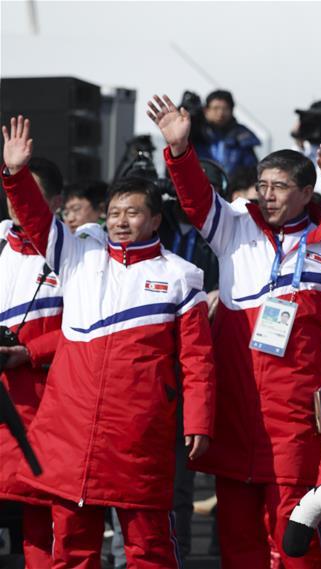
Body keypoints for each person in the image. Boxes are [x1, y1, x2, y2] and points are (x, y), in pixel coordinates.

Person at [148, 94, 321, 569]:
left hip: (297, 422)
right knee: (238, 541)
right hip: (236, 413)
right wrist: (180, 151)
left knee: (295, 540)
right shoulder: (235, 226)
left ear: (307, 192)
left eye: (280, 186)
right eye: (262, 184)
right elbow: (196, 199)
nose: (267, 194)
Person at [2, 115, 216, 568]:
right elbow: (38, 221)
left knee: (149, 550)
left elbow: (198, 360)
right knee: (72, 551)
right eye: (115, 213)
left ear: (155, 219)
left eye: (133, 212)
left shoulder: (180, 277)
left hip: (139, 435)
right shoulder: (79, 255)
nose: (121, 221)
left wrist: (198, 421)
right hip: (71, 431)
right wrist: (16, 176)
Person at [0, 156, 66, 569]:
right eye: (14, 192)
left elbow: (90, 334)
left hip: (44, 411)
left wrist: (28, 352)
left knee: (42, 524)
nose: (20, 203)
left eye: (33, 194)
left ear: (56, 201)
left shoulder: (80, 253)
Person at [195, 90, 261, 176]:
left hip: (232, 186)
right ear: (206, 110)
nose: (220, 113)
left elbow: (251, 168)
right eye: (215, 108)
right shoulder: (195, 133)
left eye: (225, 108)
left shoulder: (242, 136)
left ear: (232, 110)